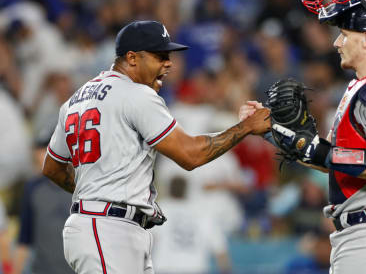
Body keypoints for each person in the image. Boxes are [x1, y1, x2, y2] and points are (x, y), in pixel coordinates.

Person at [42, 20, 271, 274]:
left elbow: (52, 167)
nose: (168, 63)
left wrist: (91, 194)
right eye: (159, 56)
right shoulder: (136, 94)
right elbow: (190, 155)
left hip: (107, 225)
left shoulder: (76, 98)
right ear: (132, 58)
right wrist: (246, 128)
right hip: (107, 230)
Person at [240, 0, 366, 273]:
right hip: (363, 234)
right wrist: (272, 131)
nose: (337, 42)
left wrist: (323, 152)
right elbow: (334, 161)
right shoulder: (362, 88)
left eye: (344, 33)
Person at [13, 129, 74, 274]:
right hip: (43, 269)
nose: (42, 155)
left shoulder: (80, 185)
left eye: (46, 149)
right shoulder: (32, 188)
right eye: (39, 150)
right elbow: (24, 239)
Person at [150, 176, 231, 274]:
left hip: (165, 268)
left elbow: (145, 241)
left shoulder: (160, 208)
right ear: (187, 190)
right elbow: (220, 250)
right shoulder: (203, 211)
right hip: (195, 268)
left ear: (168, 189)